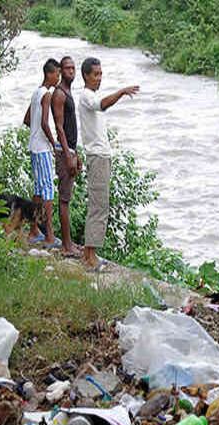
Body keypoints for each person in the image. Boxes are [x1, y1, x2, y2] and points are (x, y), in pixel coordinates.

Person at [78, 57, 139, 269]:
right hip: (97, 157)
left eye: (101, 74)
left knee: (100, 204)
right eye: (96, 74)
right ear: (86, 75)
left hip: (102, 156)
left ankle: (89, 253)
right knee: (98, 206)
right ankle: (90, 256)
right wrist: (121, 92)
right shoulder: (86, 96)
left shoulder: (91, 94)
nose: (99, 78)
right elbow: (102, 105)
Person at [23, 58, 60, 248]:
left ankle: (33, 230)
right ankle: (50, 236)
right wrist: (53, 144)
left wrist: (36, 131)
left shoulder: (36, 92)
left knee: (38, 189)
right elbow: (45, 123)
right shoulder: (47, 95)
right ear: (49, 74)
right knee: (48, 190)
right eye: (57, 74)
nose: (58, 77)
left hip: (33, 145)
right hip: (43, 148)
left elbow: (27, 119)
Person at [51, 56, 84, 257]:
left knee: (67, 198)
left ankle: (69, 242)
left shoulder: (68, 92)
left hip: (69, 150)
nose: (71, 71)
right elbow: (59, 127)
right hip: (64, 152)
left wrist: (76, 153)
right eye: (67, 68)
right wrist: (68, 155)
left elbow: (72, 128)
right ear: (61, 71)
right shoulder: (60, 94)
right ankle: (66, 246)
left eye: (73, 68)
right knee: (64, 199)